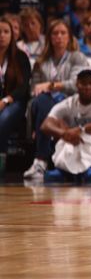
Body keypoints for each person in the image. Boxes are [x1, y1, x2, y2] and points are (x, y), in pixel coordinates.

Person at [22, 20, 90, 181]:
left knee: (46, 104)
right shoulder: (41, 61)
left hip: (71, 103)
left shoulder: (77, 57)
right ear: (49, 38)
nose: (59, 37)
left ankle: (41, 161)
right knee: (41, 102)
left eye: (63, 33)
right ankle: (40, 162)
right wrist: (44, 90)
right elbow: (34, 89)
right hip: (45, 104)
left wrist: (52, 86)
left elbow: (77, 84)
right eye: (55, 33)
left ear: (69, 37)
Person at [41, 68, 91, 176]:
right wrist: (64, 133)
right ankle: (64, 166)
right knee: (58, 123)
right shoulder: (68, 103)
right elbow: (46, 125)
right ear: (77, 85)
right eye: (83, 83)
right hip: (71, 145)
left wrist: (82, 130)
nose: (87, 87)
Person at [0, 18, 31, 169]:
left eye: (6, 32)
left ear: (12, 35)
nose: (2, 35)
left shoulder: (21, 56)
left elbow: (24, 87)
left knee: (3, 119)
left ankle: (1, 160)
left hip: (15, 101)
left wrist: (6, 100)